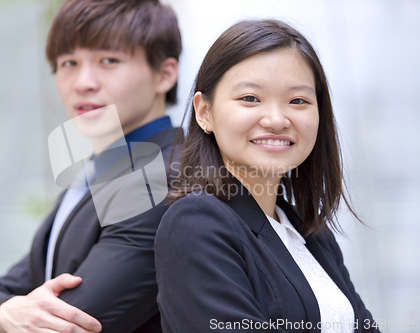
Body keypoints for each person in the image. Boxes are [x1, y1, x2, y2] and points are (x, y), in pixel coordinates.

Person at [155, 19, 380, 333]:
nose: (276, 119)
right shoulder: (196, 224)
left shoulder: (311, 234)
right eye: (250, 98)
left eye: (298, 101)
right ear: (204, 112)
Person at [0, 0, 182, 332]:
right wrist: (5, 313)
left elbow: (71, 321)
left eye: (109, 60)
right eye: (69, 62)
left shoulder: (166, 174)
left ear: (165, 74)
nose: (83, 82)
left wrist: (9, 312)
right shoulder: (95, 173)